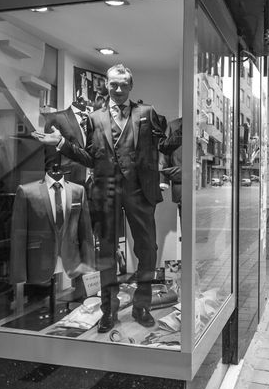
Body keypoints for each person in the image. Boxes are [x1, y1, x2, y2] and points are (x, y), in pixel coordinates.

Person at [32, 64, 168, 333]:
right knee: (105, 253)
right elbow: (90, 158)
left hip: (139, 191)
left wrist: (163, 171)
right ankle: (109, 310)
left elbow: (162, 146)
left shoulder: (147, 113)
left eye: (123, 85)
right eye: (113, 84)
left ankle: (142, 305)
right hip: (105, 191)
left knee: (148, 250)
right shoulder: (95, 118)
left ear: (131, 87)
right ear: (106, 85)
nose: (118, 89)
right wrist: (60, 144)